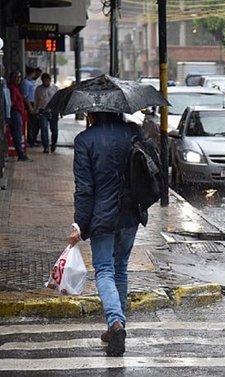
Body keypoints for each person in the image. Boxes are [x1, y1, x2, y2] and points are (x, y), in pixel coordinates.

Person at [67, 112, 145, 357]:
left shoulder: (84, 140)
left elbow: (85, 188)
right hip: (131, 213)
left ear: (92, 113)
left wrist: (79, 224)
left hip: (102, 217)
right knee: (120, 268)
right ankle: (117, 327)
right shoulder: (132, 132)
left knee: (104, 269)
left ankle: (115, 323)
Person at [8, 71, 30, 161]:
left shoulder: (17, 88)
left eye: (19, 77)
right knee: (17, 134)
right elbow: (12, 102)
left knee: (17, 133)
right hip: (15, 113)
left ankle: (20, 153)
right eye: (16, 77)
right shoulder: (12, 89)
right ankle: (20, 154)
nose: (18, 79)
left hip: (19, 113)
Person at [34, 73, 59, 153]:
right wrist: (36, 111)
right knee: (44, 129)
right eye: (45, 80)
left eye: (47, 80)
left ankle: (53, 144)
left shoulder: (55, 88)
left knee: (54, 129)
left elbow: (59, 100)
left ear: (50, 80)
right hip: (43, 111)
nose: (46, 82)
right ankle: (46, 146)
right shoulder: (38, 89)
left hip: (53, 111)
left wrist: (60, 110)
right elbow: (36, 100)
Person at [21, 67, 40, 147]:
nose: (34, 74)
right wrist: (29, 107)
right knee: (30, 123)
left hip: (34, 103)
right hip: (29, 103)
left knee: (35, 123)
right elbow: (25, 96)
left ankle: (33, 139)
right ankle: (30, 140)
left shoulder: (32, 82)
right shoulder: (25, 82)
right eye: (34, 73)